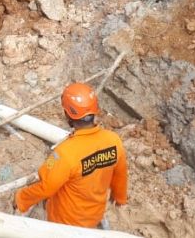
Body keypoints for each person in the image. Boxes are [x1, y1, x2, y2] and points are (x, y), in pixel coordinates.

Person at [14, 82, 128, 229]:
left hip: (65, 223)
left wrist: (21, 199)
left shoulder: (65, 153)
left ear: (68, 114)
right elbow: (120, 174)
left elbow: (46, 187)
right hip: (94, 216)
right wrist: (120, 198)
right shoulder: (113, 140)